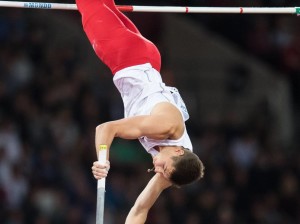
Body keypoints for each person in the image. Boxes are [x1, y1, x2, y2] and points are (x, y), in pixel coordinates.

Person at [76, 0, 205, 222]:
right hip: (126, 57)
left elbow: (140, 209)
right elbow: (106, 128)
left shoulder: (173, 168)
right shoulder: (164, 127)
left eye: (162, 174)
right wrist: (103, 159)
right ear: (177, 152)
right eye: (163, 168)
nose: (157, 169)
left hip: (146, 60)